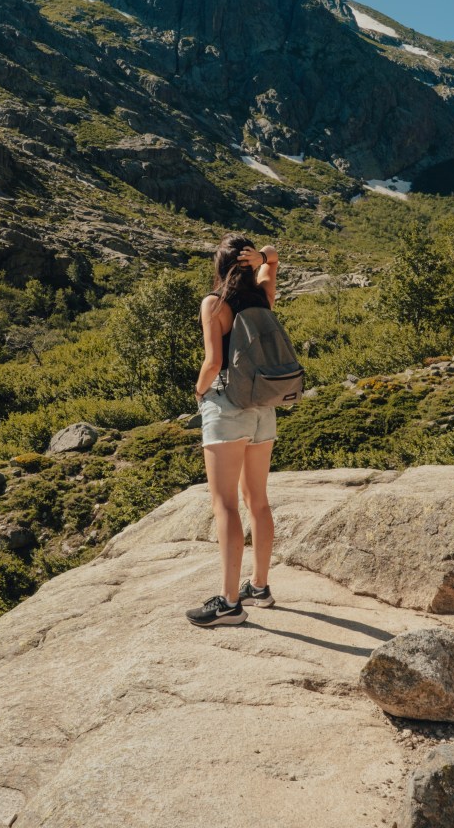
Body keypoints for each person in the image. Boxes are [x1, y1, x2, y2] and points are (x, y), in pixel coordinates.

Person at [186, 233, 279, 627]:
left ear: (220, 265)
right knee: (257, 500)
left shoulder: (214, 303)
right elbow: (272, 260)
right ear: (249, 261)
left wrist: (199, 391)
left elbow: (213, 361)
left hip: (227, 404)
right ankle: (258, 587)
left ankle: (228, 603)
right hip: (263, 406)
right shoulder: (263, 297)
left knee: (224, 503)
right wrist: (265, 258)